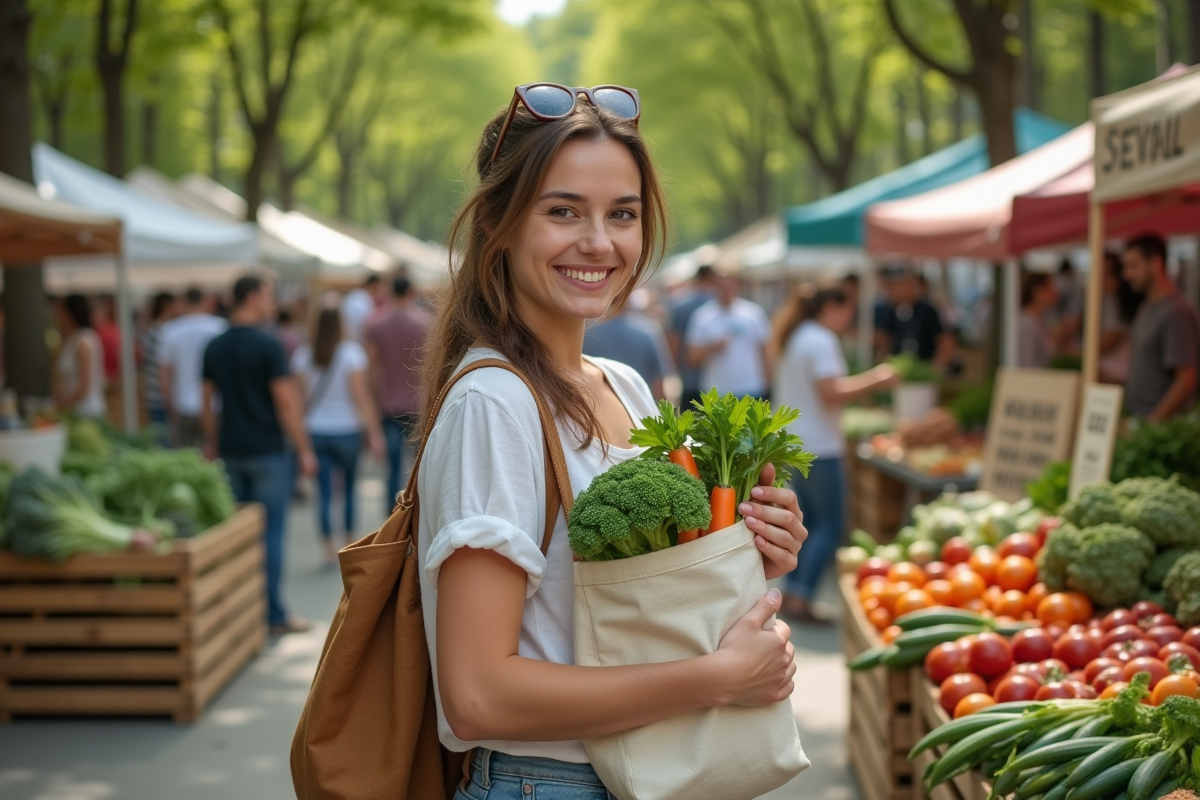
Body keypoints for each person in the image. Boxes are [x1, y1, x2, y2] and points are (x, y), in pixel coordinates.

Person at [418, 83, 804, 797]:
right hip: (550, 781)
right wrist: (717, 678)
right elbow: (477, 697)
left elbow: (621, 605)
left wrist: (748, 546)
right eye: (563, 211)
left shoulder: (624, 385)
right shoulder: (494, 404)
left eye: (621, 214)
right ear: (499, 225)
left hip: (646, 766)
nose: (599, 242)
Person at [771, 284, 899, 623]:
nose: (849, 319)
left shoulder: (799, 336)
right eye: (847, 310)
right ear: (831, 307)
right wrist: (878, 379)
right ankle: (801, 596)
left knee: (811, 521)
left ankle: (797, 589)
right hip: (819, 446)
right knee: (831, 523)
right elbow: (832, 392)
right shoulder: (820, 340)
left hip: (797, 442)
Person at [201, 275, 315, 636]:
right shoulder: (269, 345)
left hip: (231, 450)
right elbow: (285, 401)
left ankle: (240, 611)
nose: (272, 303)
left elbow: (206, 403)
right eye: (268, 296)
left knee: (237, 537)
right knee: (271, 534)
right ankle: (274, 614)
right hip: (267, 453)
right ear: (251, 298)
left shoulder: (215, 346)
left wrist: (212, 442)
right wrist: (304, 448)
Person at [291, 304, 384, 567]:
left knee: (324, 493)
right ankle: (349, 543)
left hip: (316, 430)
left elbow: (299, 400)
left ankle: (328, 549)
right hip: (347, 431)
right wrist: (374, 433)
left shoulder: (303, 355)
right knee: (349, 490)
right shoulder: (351, 354)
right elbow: (361, 396)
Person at [364, 275, 431, 514]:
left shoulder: (377, 325)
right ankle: (418, 513)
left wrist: (374, 397)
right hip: (418, 403)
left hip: (389, 404)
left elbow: (372, 369)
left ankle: (392, 517)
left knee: (392, 468)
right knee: (419, 467)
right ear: (411, 291)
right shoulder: (426, 324)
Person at [1121, 234, 1200, 421]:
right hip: (1138, 419)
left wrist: (1153, 424)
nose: (1127, 274)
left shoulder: (1176, 311)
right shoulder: (1147, 306)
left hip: (1157, 427)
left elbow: (1185, 379)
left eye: (1133, 266)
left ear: (1155, 264)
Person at [685, 273, 772, 398]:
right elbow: (691, 359)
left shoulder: (754, 314)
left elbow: (765, 350)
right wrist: (713, 346)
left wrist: (768, 384)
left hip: (750, 389)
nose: (726, 290)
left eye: (729, 285)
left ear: (737, 286)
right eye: (721, 286)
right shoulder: (702, 316)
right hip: (716, 392)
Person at [159, 288, 227, 449]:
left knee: (185, 457)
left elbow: (164, 373)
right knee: (215, 456)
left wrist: (169, 402)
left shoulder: (170, 330)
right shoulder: (220, 327)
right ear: (205, 300)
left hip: (183, 403)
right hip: (214, 404)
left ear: (184, 302)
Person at [583, 289, 674, 400]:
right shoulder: (648, 331)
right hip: (640, 406)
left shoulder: (585, 333)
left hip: (596, 404)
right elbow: (658, 382)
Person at [876, 267, 955, 368]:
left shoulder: (927, 310)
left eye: (899, 285)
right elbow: (885, 339)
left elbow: (944, 340)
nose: (894, 290)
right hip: (898, 368)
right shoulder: (889, 310)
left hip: (924, 368)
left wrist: (936, 365)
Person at [666, 264, 717, 409]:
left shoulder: (681, 304)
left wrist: (676, 367)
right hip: (716, 378)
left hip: (689, 377)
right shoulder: (716, 303)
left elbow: (673, 340)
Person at [53, 295, 106, 418]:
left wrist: (63, 404)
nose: (57, 316)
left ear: (71, 313)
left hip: (85, 412)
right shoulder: (75, 338)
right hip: (77, 411)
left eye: (61, 311)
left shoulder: (82, 341)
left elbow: (85, 386)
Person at [140, 292, 176, 432]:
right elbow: (164, 367)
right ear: (167, 305)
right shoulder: (164, 331)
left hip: (154, 393)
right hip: (162, 395)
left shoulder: (152, 329)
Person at [1017, 272, 1063, 369]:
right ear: (1037, 291)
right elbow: (1027, 366)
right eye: (1050, 287)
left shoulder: (1043, 319)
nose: (1056, 291)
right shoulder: (1027, 323)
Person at [340, 274, 381, 343]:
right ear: (375, 285)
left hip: (346, 341)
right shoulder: (366, 302)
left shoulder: (352, 296)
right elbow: (365, 329)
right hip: (359, 343)